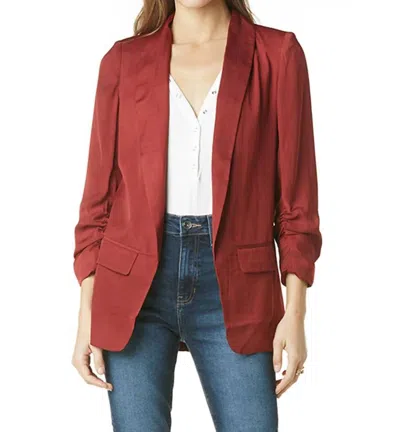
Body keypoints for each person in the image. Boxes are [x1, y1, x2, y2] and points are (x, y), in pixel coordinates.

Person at [71, 0, 322, 430]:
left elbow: (297, 203)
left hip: (238, 286)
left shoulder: (277, 55)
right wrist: (86, 312)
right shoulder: (123, 61)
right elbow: (99, 201)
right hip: (133, 287)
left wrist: (295, 314)